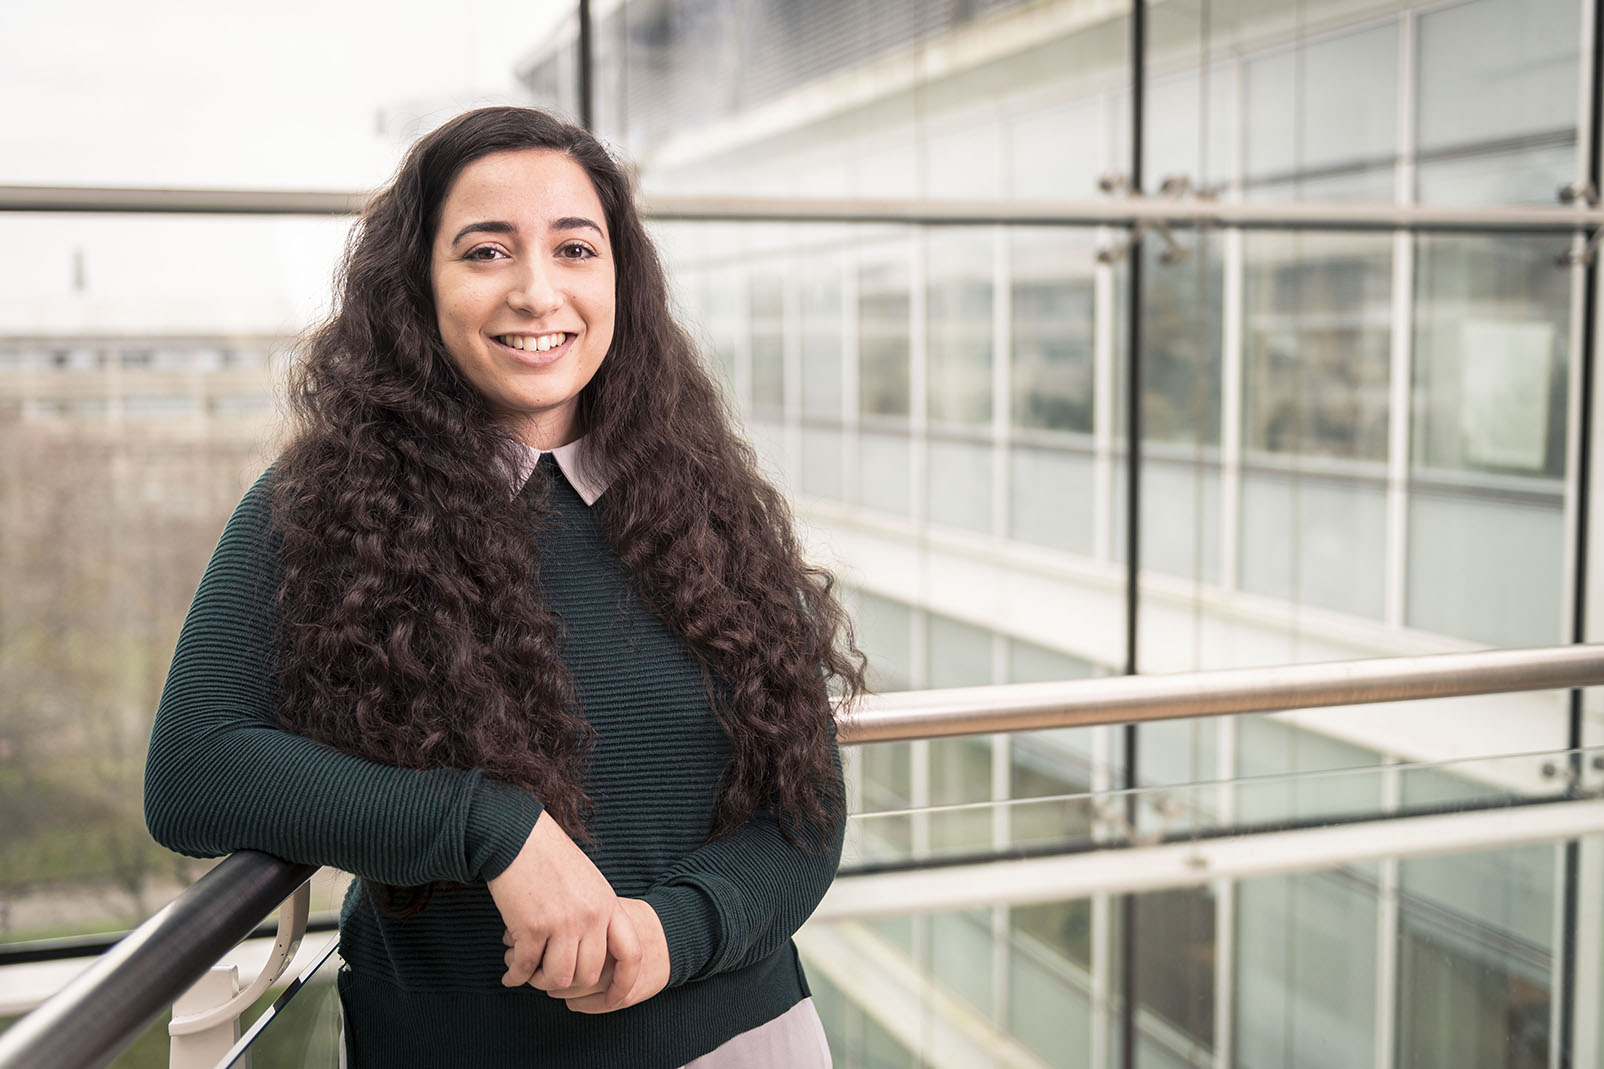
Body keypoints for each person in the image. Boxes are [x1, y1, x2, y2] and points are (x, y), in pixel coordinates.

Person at [144, 106, 864, 1068]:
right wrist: (493, 828)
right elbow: (195, 769)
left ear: (620, 279)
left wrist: (669, 934)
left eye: (575, 248)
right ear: (419, 286)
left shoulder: (711, 502)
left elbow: (805, 811)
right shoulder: (319, 505)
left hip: (744, 1040)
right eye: (486, 252)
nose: (537, 291)